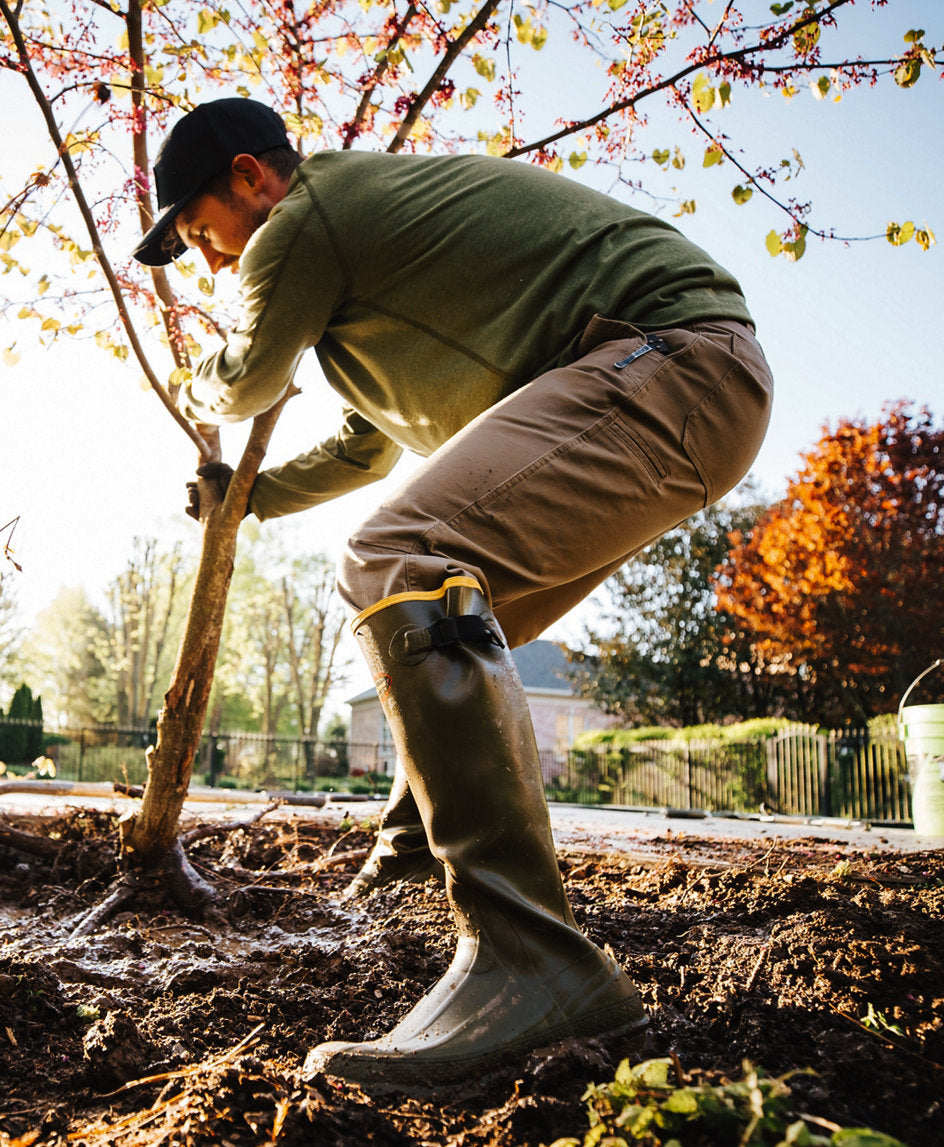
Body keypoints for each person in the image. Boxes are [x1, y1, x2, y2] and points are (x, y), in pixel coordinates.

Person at [134, 97, 773, 1090]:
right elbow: (365, 444)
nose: (213, 262)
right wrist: (248, 500)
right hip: (681, 380)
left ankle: (531, 957)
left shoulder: (306, 219)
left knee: (400, 561)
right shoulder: (357, 276)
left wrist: (197, 374)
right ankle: (409, 861)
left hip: (668, 359)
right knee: (447, 628)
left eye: (200, 232)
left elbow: (246, 377)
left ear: (253, 178)